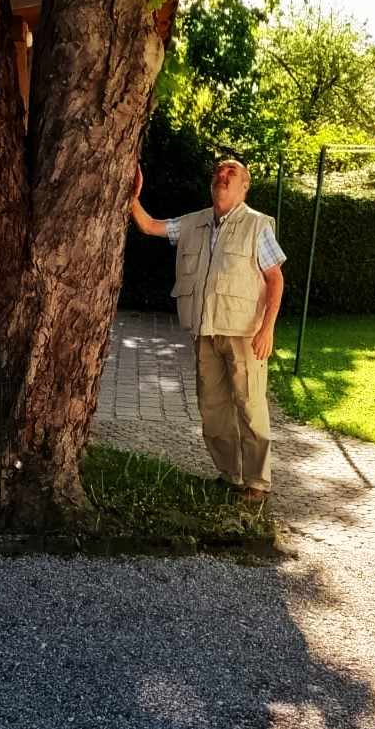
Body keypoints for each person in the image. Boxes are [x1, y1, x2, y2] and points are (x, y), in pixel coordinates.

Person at [130, 159, 286, 503]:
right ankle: (231, 475)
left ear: (244, 187)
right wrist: (131, 197)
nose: (222, 176)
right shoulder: (195, 223)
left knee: (249, 405)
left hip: (245, 332)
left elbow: (275, 278)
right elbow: (149, 226)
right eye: (218, 172)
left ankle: (257, 482)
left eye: (231, 173)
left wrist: (267, 329)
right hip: (206, 331)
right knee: (212, 410)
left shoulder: (257, 225)